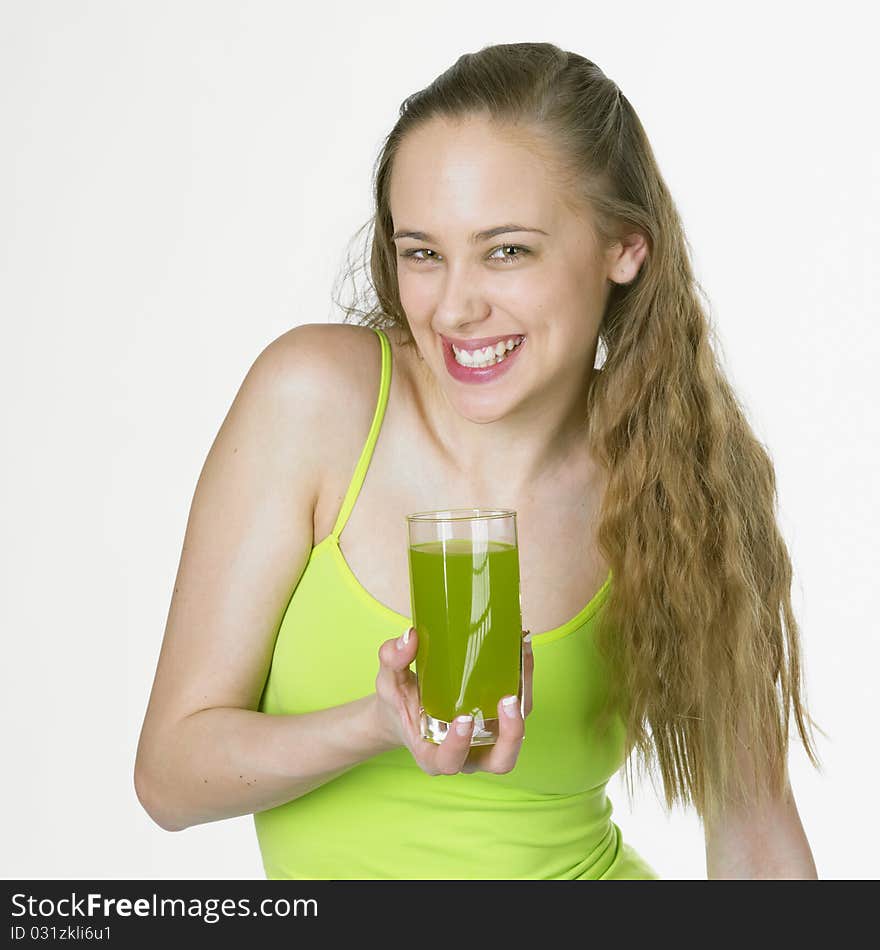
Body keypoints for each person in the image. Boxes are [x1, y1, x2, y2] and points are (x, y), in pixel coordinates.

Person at [134, 42, 823, 879]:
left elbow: (756, 838)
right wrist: (380, 724)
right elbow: (169, 778)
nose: (454, 308)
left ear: (624, 248)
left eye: (507, 251)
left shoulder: (681, 471)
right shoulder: (316, 401)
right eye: (423, 252)